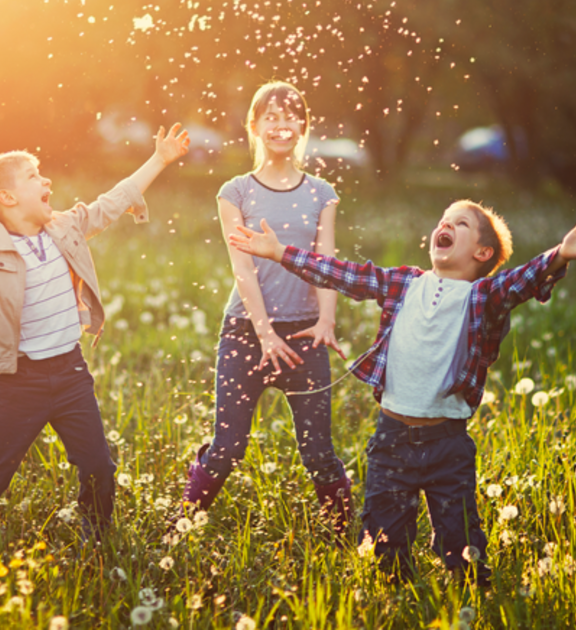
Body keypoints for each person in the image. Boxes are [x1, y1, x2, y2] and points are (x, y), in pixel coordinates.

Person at [229, 199, 575, 582]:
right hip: (391, 440)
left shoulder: (483, 297)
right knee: (384, 546)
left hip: (448, 445)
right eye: (443, 220)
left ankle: (469, 597)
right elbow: (344, 274)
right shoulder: (403, 283)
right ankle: (396, 600)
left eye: (460, 224)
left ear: (482, 252)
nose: (446, 225)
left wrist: (560, 254)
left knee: (462, 546)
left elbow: (522, 280)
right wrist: (280, 253)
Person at [180, 81, 353, 538]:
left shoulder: (322, 193)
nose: (281, 124)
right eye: (271, 116)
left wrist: (326, 321)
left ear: (303, 126)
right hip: (245, 333)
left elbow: (327, 262)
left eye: (291, 115)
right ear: (253, 126)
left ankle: (347, 540)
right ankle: (181, 527)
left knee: (318, 451)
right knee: (227, 449)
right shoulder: (234, 191)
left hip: (304, 335)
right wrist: (264, 333)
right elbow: (243, 269)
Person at [0, 124, 190, 539]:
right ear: (8, 197)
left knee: (99, 466)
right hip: (18, 382)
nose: (46, 179)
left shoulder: (64, 228)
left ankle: (97, 538)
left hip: (70, 374)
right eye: (33, 176)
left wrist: (159, 158)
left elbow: (114, 200)